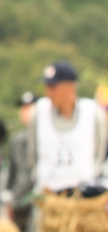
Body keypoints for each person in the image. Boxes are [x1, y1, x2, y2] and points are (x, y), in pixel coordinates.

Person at [27, 60, 108, 194]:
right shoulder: (39, 113)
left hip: (84, 195)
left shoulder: (93, 113)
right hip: (49, 195)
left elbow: (100, 153)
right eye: (47, 87)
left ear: (70, 87)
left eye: (53, 87)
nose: (48, 93)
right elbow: (32, 154)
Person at [4, 91, 36, 231]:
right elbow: (12, 172)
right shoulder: (16, 139)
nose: (25, 112)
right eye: (23, 108)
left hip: (37, 201)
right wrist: (8, 199)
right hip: (18, 202)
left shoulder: (47, 139)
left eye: (29, 107)